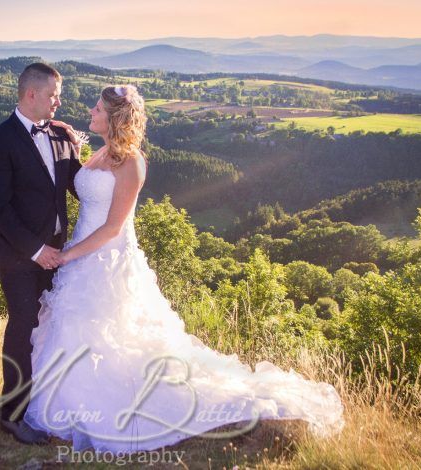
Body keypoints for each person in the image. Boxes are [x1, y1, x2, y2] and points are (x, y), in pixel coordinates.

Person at [21, 84, 345, 453]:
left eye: (97, 109)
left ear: (114, 118)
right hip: (82, 259)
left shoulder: (132, 162)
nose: (90, 113)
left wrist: (68, 255)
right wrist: (73, 148)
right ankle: (68, 402)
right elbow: (87, 188)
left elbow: (113, 227)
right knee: (75, 330)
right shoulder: (100, 153)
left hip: (105, 260)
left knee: (112, 336)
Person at [0, 62, 82, 445]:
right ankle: (13, 414)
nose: (59, 101)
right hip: (20, 256)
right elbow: (0, 209)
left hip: (58, 252)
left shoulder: (60, 134)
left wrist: (113, 173)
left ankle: (45, 398)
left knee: (54, 324)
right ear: (32, 94)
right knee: (23, 326)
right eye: (54, 94)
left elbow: (77, 185)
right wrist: (36, 251)